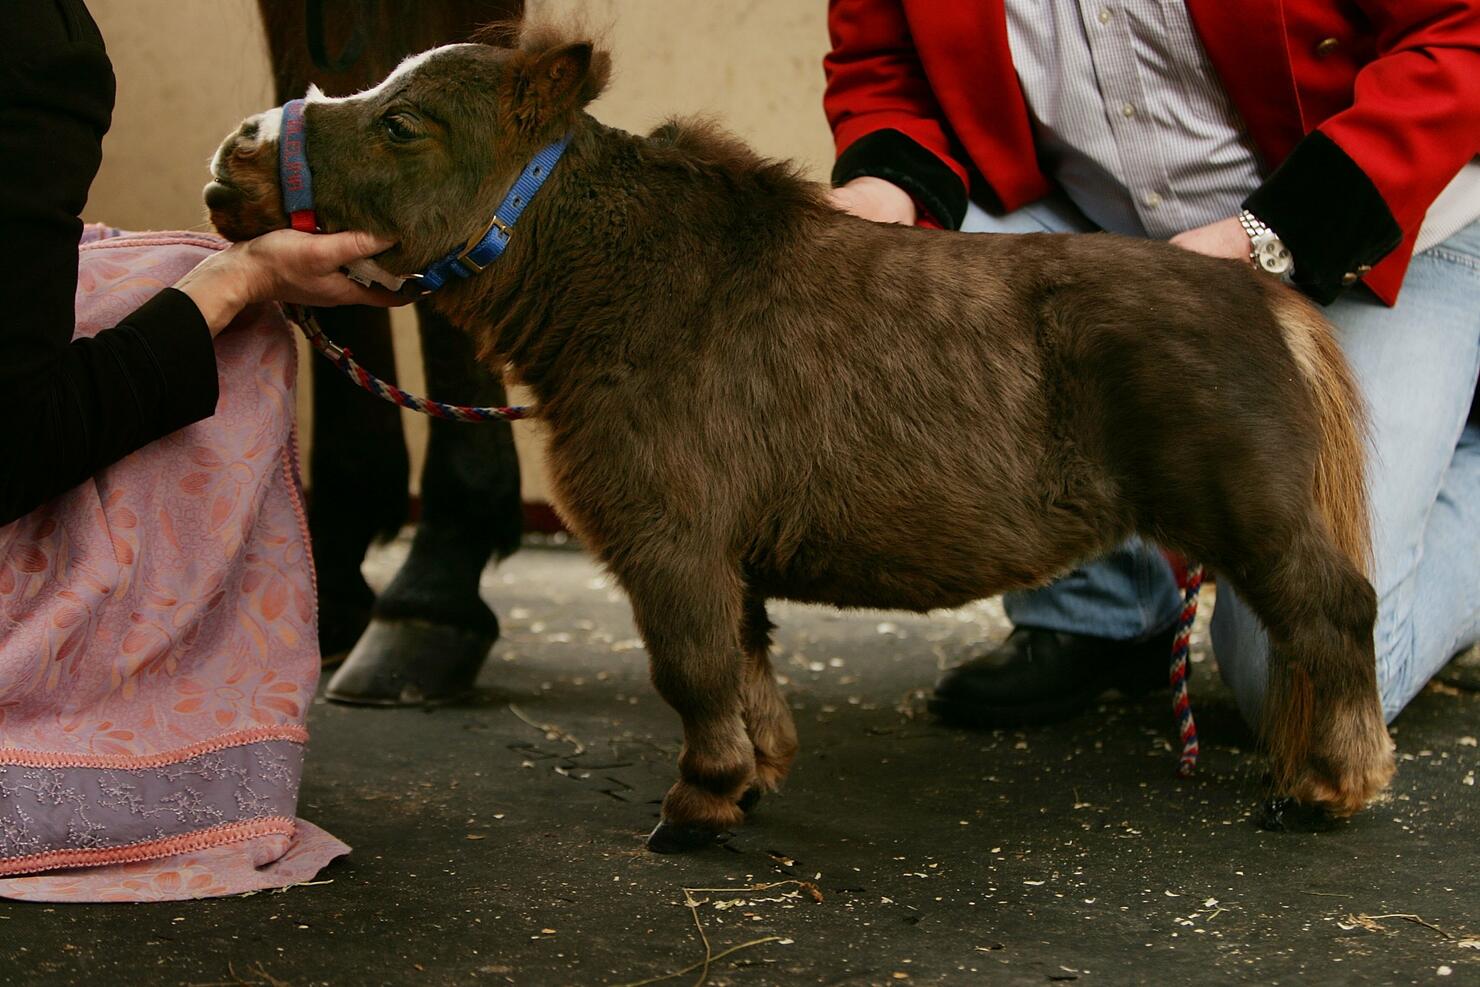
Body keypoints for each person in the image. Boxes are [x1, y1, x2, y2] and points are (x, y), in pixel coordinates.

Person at [822, 0, 1480, 731]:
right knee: (932, 270)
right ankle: (1103, 608)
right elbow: (886, 69)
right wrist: (884, 189)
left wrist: (1270, 235)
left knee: (1297, 684)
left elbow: (1460, 31)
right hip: (1114, 236)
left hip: (1389, 227)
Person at [0, 0, 401, 900]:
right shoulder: (32, 47)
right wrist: (240, 279)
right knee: (233, 335)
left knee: (135, 272)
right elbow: (10, 443)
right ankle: (109, 739)